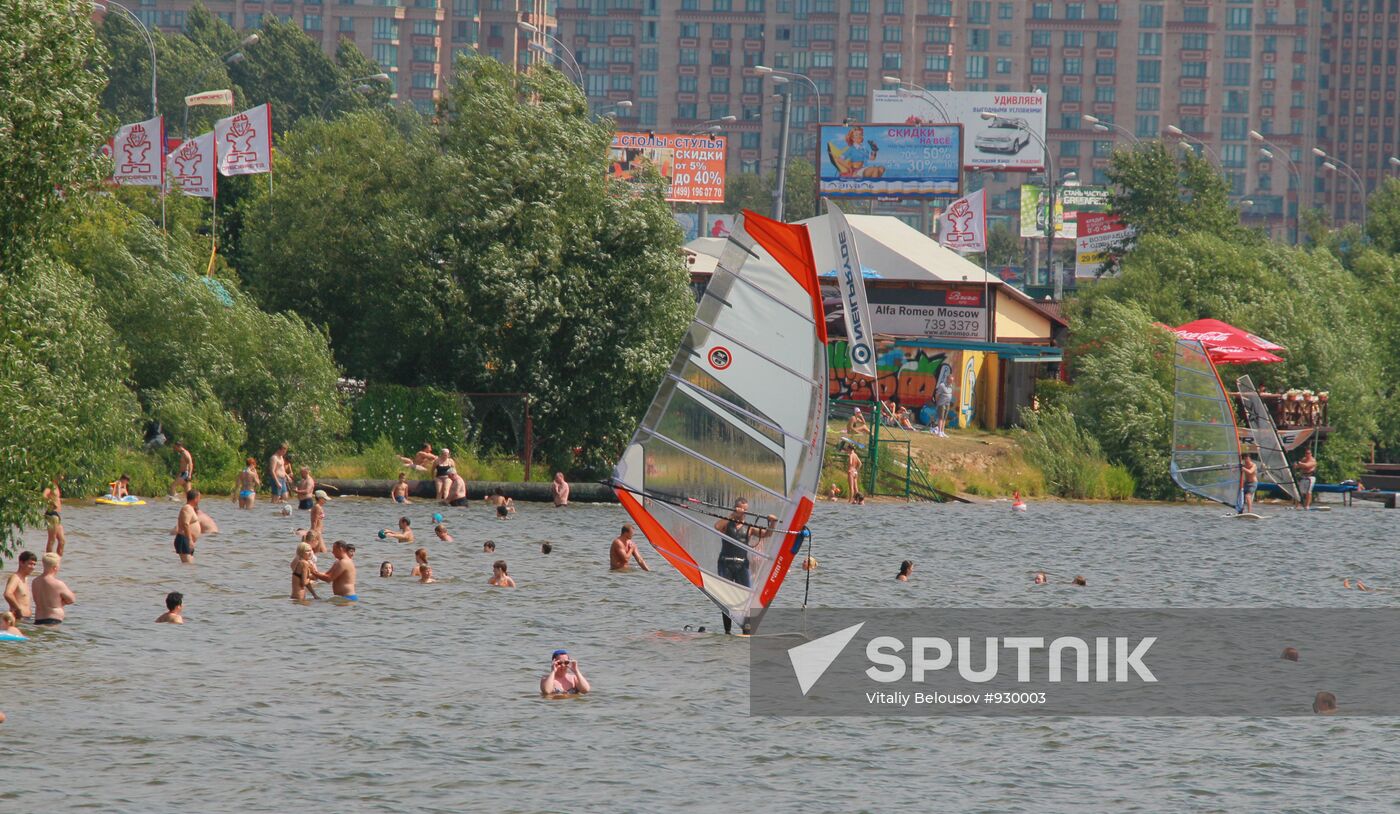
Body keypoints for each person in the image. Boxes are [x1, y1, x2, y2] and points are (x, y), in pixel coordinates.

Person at [715, 499, 754, 635]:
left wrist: (772, 522)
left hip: (742, 565)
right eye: (740, 508)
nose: (743, 511)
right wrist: (732, 515)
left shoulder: (749, 527)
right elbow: (717, 526)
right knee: (726, 598)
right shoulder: (727, 523)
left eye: (745, 509)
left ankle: (746, 629)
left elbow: (767, 534)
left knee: (747, 597)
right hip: (725, 563)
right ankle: (727, 631)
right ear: (735, 508)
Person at [32, 553, 74, 625]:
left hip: (38, 619)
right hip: (53, 619)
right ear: (55, 567)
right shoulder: (58, 584)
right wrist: (60, 603)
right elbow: (72, 599)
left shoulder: (35, 582)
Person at [4, 552, 36, 622]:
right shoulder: (15, 578)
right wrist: (18, 609)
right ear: (21, 563)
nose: (33, 567)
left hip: (26, 619)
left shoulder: (25, 579)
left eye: (34, 564)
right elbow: (8, 594)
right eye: (30, 564)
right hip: (18, 618)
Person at [174, 490, 202, 565]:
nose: (200, 500)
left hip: (187, 540)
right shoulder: (187, 508)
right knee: (188, 566)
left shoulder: (191, 508)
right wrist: (190, 540)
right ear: (195, 498)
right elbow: (185, 524)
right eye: (199, 498)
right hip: (184, 539)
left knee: (189, 568)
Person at [43, 478, 66, 556]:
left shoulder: (56, 486)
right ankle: (49, 560)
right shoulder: (50, 486)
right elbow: (43, 496)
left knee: (62, 541)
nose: (62, 477)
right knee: (52, 540)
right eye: (60, 475)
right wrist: (51, 502)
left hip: (57, 515)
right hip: (51, 514)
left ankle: (57, 562)